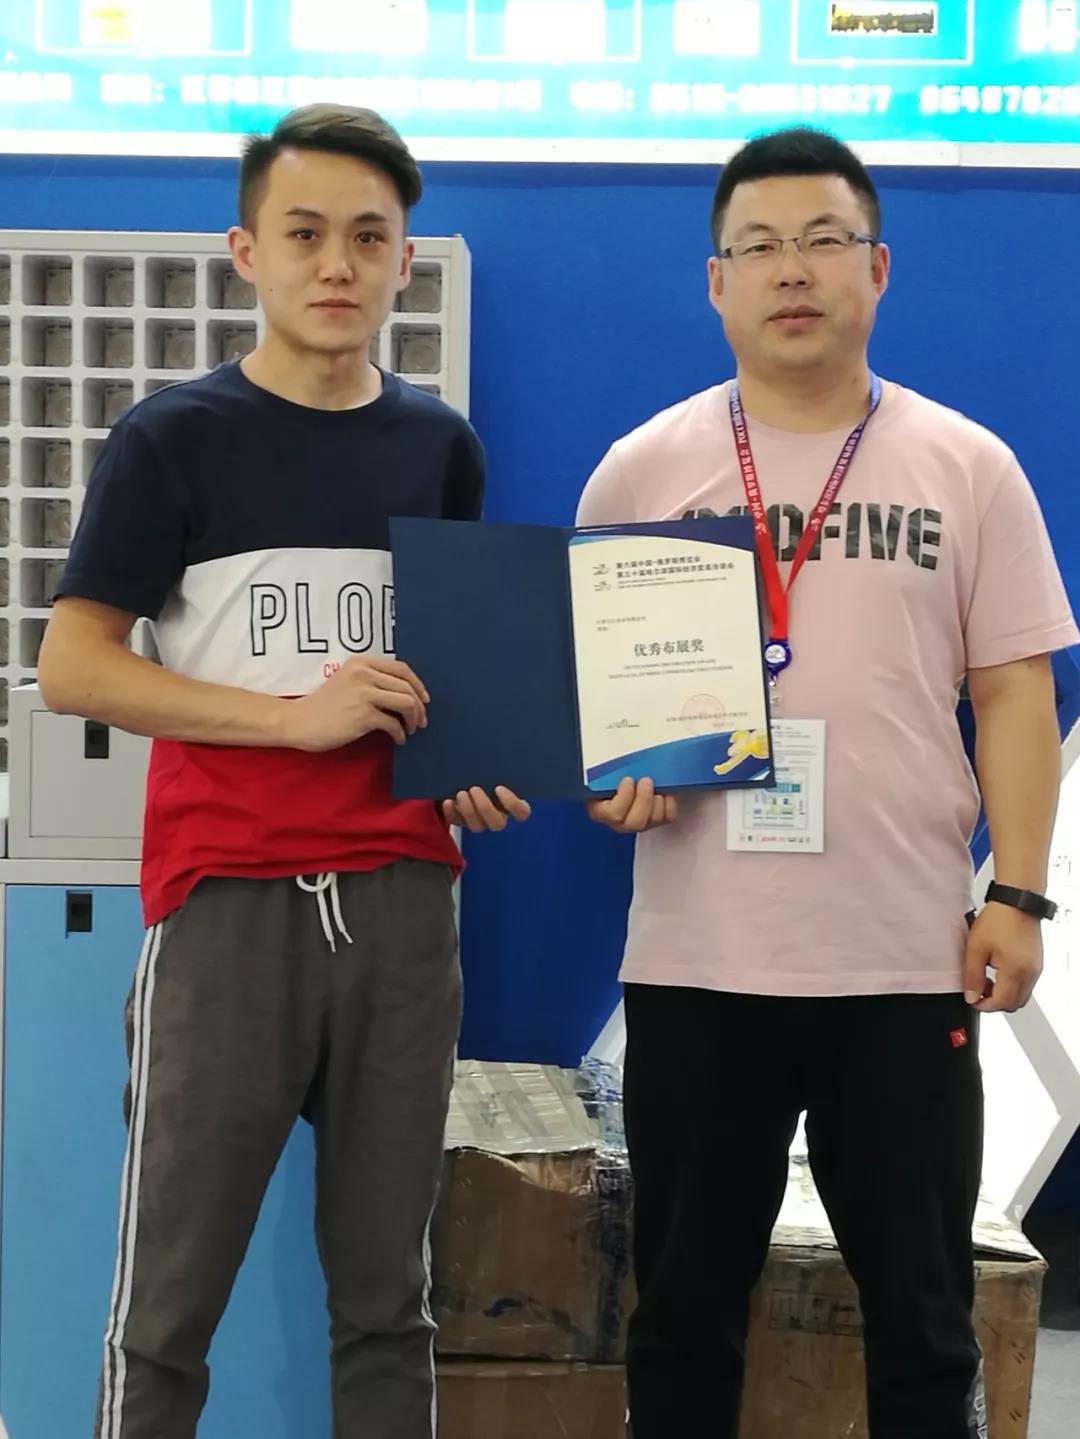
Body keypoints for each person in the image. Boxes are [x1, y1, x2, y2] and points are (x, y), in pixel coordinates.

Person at [577, 126, 1077, 1438]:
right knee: (681, 1315)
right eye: (758, 247)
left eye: (822, 241)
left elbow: (1015, 693)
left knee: (924, 1319)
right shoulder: (644, 468)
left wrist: (1019, 895)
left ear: (878, 267)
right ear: (717, 283)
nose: (791, 271)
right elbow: (597, 704)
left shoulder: (968, 466)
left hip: (903, 963)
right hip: (700, 963)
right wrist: (614, 779)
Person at [38, 103, 529, 1439]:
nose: (337, 264)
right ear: (247, 251)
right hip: (228, 907)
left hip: (404, 909)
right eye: (305, 233)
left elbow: (438, 678)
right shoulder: (172, 440)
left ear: (403, 262)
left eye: (368, 237)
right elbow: (75, 666)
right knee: (165, 1311)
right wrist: (291, 720)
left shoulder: (440, 447)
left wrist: (470, 761)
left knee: (388, 1304)